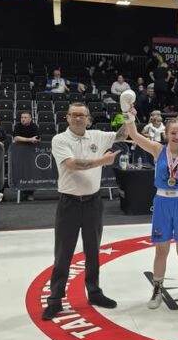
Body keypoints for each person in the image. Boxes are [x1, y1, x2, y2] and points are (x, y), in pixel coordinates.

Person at [122, 95, 178, 310]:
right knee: (161, 250)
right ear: (166, 134)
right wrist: (127, 114)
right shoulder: (158, 150)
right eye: (173, 133)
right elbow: (133, 135)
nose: (176, 136)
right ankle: (157, 289)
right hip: (162, 202)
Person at [41, 103, 123, 321]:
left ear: (88, 119)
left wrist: (129, 115)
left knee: (93, 251)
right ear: (67, 117)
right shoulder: (60, 139)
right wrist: (102, 161)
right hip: (69, 203)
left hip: (93, 202)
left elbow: (123, 135)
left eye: (82, 115)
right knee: (63, 253)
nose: (78, 118)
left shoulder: (97, 136)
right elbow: (71, 164)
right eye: (74, 115)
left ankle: (94, 292)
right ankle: (55, 300)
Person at [13, 112, 40, 199]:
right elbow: (16, 138)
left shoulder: (34, 126)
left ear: (30, 119)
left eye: (25, 117)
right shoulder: (17, 126)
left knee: (30, 173)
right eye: (22, 117)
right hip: (19, 153)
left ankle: (30, 193)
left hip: (31, 153)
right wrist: (29, 139)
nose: (23, 119)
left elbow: (36, 138)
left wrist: (32, 140)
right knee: (21, 172)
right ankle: (21, 191)